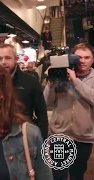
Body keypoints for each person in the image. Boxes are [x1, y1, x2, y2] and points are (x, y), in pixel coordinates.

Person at [44, 43, 94, 180]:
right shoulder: (60, 75)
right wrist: (50, 82)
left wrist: (76, 81)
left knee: (77, 175)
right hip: (59, 135)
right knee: (58, 174)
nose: (82, 61)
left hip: (84, 137)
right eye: (79, 57)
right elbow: (47, 102)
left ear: (92, 60)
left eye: (87, 57)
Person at [0, 44, 48, 140]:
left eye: (7, 58)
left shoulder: (30, 82)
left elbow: (41, 114)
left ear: (16, 59)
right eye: (0, 58)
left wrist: (41, 139)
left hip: (24, 137)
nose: (3, 62)